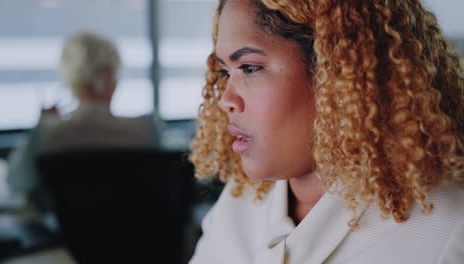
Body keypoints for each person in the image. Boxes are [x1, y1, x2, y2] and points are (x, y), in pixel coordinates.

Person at [188, 0, 464, 263]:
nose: (226, 100)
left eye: (249, 68)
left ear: (337, 73)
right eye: (225, 72)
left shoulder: (450, 228)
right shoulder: (241, 199)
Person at [6, 31, 159, 212]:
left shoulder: (48, 133)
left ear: (71, 80)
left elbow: (16, 181)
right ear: (112, 79)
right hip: (139, 236)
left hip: (67, 239)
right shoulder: (145, 130)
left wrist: (43, 124)